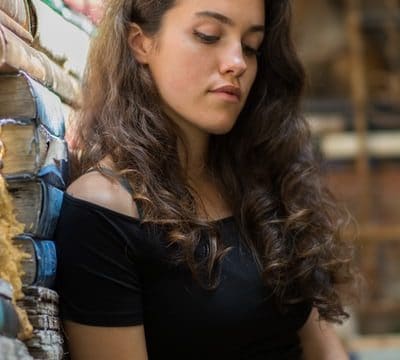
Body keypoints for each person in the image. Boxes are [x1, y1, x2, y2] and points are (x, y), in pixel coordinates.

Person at [55, 0, 357, 358]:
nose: (238, 63)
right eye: (209, 36)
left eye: (251, 46)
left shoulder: (260, 179)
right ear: (141, 42)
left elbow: (322, 347)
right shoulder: (104, 209)